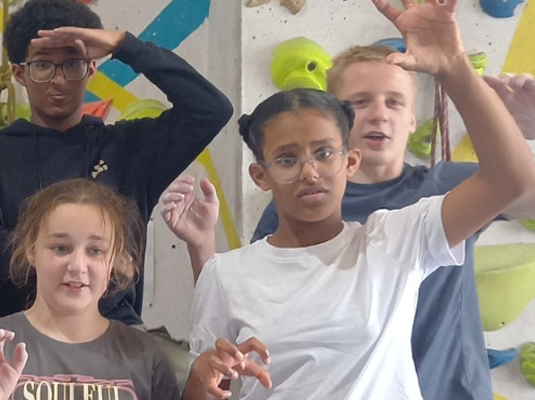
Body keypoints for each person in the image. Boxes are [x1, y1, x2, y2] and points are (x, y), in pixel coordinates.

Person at [180, 1, 535, 398]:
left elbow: (513, 181)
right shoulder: (230, 270)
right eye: (287, 159)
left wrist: (453, 66)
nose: (309, 171)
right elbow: (212, 377)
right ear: (261, 175)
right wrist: (200, 378)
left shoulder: (396, 239)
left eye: (323, 153)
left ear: (349, 161)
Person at [0, 0, 233, 325]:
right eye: (43, 65)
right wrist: (82, 255)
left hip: (117, 339)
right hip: (24, 341)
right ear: (19, 74)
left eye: (72, 64)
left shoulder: (129, 149)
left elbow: (210, 110)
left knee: (176, 358)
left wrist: (124, 44)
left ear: (91, 69)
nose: (59, 80)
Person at [0, 178, 179, 400]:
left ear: (115, 258)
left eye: (95, 251)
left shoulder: (146, 357)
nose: (77, 266)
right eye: (61, 248)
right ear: (31, 249)